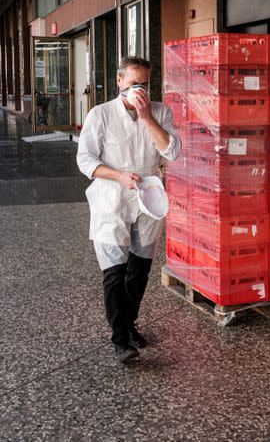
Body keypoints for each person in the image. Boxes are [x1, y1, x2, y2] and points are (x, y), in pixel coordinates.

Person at [76, 56, 181, 363]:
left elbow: (172, 151)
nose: (138, 89)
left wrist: (147, 117)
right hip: (112, 198)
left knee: (139, 269)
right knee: (114, 271)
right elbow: (85, 161)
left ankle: (128, 323)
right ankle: (120, 338)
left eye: (144, 84)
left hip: (148, 197)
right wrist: (119, 176)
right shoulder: (100, 115)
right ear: (119, 81)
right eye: (132, 83)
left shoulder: (160, 112)